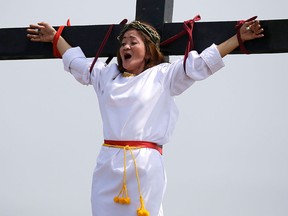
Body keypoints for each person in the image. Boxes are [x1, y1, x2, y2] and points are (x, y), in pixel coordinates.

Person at [27, 17, 264, 216]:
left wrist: (238, 39)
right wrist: (56, 39)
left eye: (133, 42)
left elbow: (201, 64)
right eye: (123, 43)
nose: (125, 47)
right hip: (107, 164)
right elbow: (78, 64)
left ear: (149, 49)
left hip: (145, 164)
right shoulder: (107, 76)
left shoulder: (164, 75)